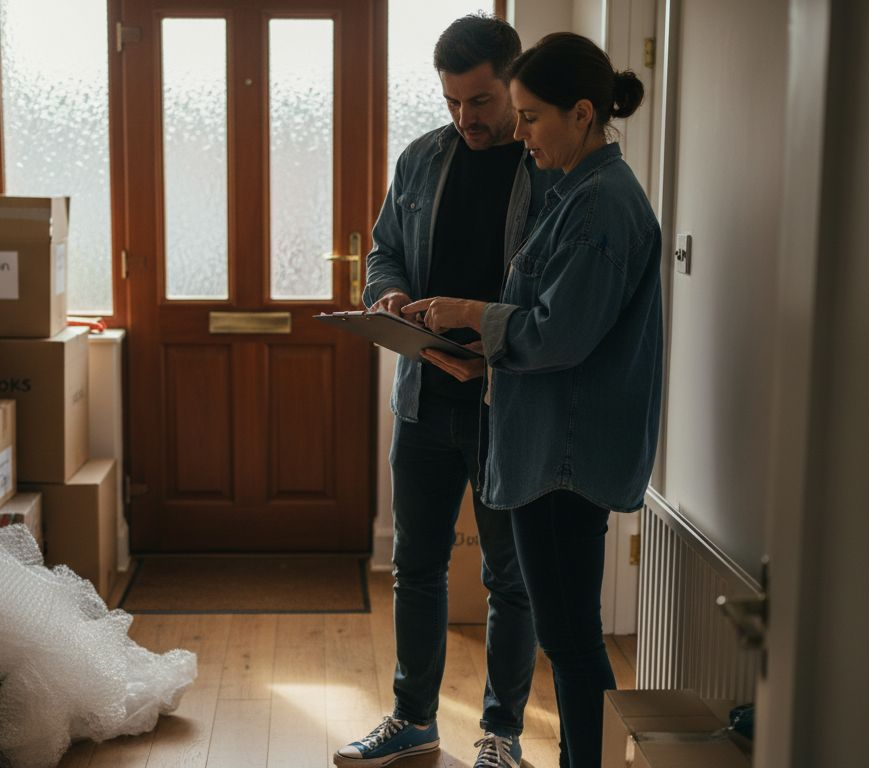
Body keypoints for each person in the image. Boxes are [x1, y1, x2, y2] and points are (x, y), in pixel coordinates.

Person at [403, 32, 664, 768]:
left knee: (572, 646)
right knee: (571, 640)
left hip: (562, 460)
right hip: (550, 450)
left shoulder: (603, 205)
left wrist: (464, 311)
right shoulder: (581, 192)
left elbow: (559, 335)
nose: (519, 133)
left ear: (582, 114)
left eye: (530, 117)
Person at [334, 14, 561, 768]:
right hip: (424, 400)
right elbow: (385, 251)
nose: (466, 118)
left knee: (510, 581)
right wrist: (390, 296)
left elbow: (558, 301)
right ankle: (414, 718)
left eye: (482, 101)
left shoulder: (550, 171)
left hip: (510, 405)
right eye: (453, 102)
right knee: (417, 564)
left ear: (514, 84)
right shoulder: (422, 159)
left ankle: (501, 735)